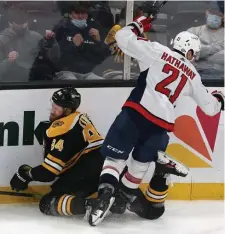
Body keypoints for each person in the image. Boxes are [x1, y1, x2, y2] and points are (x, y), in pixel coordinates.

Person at [88, 15, 225, 226]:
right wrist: (219, 99)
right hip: (161, 126)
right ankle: (122, 198)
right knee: (139, 166)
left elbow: (123, 38)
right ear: (188, 50)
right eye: (193, 54)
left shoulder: (157, 51)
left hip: (135, 113)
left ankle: (105, 195)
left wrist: (138, 24)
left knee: (114, 160)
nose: (194, 58)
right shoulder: (193, 75)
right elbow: (210, 108)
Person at [10, 87, 104, 217]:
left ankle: (88, 205)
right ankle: (119, 198)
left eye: (57, 107)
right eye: (53, 105)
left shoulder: (61, 127)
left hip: (86, 171)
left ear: (67, 110)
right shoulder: (79, 117)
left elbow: (49, 173)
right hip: (107, 168)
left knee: (47, 203)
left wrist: (27, 174)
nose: (52, 110)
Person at [52, 2, 110, 80]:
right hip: (66, 72)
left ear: (87, 15)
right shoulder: (61, 29)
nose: (80, 16)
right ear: (70, 14)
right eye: (76, 13)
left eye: (83, 13)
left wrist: (98, 41)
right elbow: (55, 57)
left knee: (102, 84)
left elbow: (103, 57)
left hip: (89, 73)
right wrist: (73, 45)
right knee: (71, 81)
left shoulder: (95, 28)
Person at [0, 7, 60, 82]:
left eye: (25, 22)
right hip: (12, 82)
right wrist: (8, 61)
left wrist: (52, 41)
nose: (23, 26)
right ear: (10, 23)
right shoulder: (2, 40)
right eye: (19, 23)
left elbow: (54, 58)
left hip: (34, 79)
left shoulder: (36, 37)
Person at [187, 1, 224, 77]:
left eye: (219, 14)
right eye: (213, 12)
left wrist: (201, 55)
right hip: (195, 76)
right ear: (207, 12)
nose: (215, 15)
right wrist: (219, 47)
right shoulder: (193, 31)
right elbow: (189, 52)